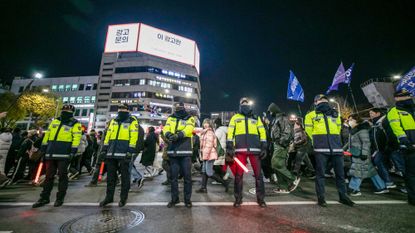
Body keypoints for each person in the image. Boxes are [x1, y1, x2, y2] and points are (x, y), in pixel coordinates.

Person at [305, 94, 354, 207]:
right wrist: (317, 141)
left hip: (336, 148)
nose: (323, 101)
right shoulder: (311, 115)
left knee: (340, 175)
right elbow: (309, 130)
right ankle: (321, 198)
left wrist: (334, 141)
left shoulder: (335, 113)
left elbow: (338, 129)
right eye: (321, 100)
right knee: (321, 174)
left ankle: (343, 197)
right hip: (322, 148)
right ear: (316, 102)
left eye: (324, 99)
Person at [32, 104, 82, 208]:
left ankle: (60, 198)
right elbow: (48, 135)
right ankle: (44, 198)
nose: (65, 111)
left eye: (68, 110)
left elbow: (76, 138)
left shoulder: (75, 123)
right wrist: (43, 148)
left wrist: (73, 151)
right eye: (64, 109)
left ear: (72, 112)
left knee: (62, 177)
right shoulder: (55, 121)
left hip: (64, 154)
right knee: (48, 177)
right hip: (50, 153)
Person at [227, 97, 267, 208]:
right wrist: (229, 146)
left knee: (259, 176)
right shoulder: (235, 117)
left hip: (255, 150)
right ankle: (238, 199)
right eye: (242, 102)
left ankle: (261, 200)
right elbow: (230, 132)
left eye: (246, 102)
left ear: (249, 104)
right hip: (240, 151)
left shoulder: (256, 117)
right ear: (240, 104)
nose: (245, 103)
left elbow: (262, 132)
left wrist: (264, 146)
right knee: (239, 176)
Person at [99, 103, 139, 207]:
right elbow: (108, 135)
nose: (121, 110)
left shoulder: (132, 121)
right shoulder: (113, 121)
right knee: (111, 178)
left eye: (124, 108)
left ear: (128, 110)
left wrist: (130, 150)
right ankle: (109, 197)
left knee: (125, 177)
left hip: (124, 153)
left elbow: (134, 136)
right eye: (120, 108)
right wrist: (104, 149)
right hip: (111, 153)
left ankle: (123, 198)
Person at [346, 114, 388, 196]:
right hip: (358, 153)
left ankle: (354, 189)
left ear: (357, 120)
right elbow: (350, 143)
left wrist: (364, 154)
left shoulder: (362, 130)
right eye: (349, 120)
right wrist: (344, 149)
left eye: (351, 119)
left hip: (361, 154)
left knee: (358, 171)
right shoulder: (355, 130)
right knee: (371, 171)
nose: (349, 121)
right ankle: (381, 187)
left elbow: (366, 143)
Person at [163, 102, 195, 208]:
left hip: (185, 152)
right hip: (173, 152)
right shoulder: (170, 118)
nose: (178, 108)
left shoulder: (190, 118)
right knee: (173, 178)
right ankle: (174, 199)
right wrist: (168, 134)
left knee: (187, 177)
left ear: (183, 108)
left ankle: (187, 200)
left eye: (179, 107)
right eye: (176, 107)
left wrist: (178, 135)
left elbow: (189, 129)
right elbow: (166, 128)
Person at [387, 89, 415, 205]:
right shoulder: (394, 111)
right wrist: (407, 143)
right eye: (403, 96)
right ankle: (413, 197)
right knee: (412, 174)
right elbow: (397, 129)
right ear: (396, 98)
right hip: (410, 147)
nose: (407, 97)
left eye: (408, 95)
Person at [268, 103, 299, 194]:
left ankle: (293, 178)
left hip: (280, 145)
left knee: (275, 164)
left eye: (270, 112)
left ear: (274, 110)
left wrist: (281, 143)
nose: (270, 113)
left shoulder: (282, 118)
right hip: (277, 144)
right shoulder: (277, 118)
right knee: (279, 166)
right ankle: (283, 187)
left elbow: (287, 132)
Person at [197, 118, 228, 193]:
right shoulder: (204, 132)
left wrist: (205, 156)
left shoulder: (209, 132)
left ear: (210, 124)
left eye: (207, 123)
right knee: (204, 171)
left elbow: (209, 146)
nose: (205, 124)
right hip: (206, 154)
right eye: (204, 123)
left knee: (209, 172)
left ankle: (225, 183)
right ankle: (203, 188)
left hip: (209, 155)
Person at [369, 108, 397, 189]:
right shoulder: (375, 123)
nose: (370, 115)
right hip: (380, 149)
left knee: (399, 166)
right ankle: (388, 181)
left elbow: (389, 135)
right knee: (379, 162)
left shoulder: (383, 122)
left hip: (386, 148)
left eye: (371, 113)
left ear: (378, 113)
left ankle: (389, 181)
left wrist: (388, 147)